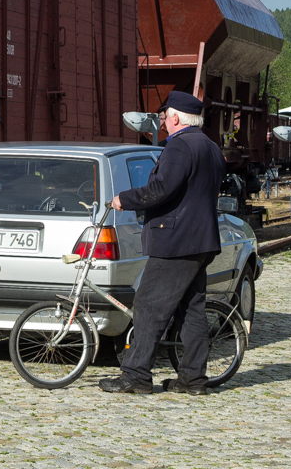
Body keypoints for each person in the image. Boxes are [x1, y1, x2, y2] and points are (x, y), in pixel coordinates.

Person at [98, 90, 224, 396]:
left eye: (165, 116)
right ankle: (193, 379)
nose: (163, 122)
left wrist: (123, 200)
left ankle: (136, 375)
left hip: (176, 241)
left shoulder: (179, 147)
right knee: (191, 310)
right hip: (201, 240)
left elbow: (161, 189)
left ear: (177, 117)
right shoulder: (209, 146)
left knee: (148, 305)